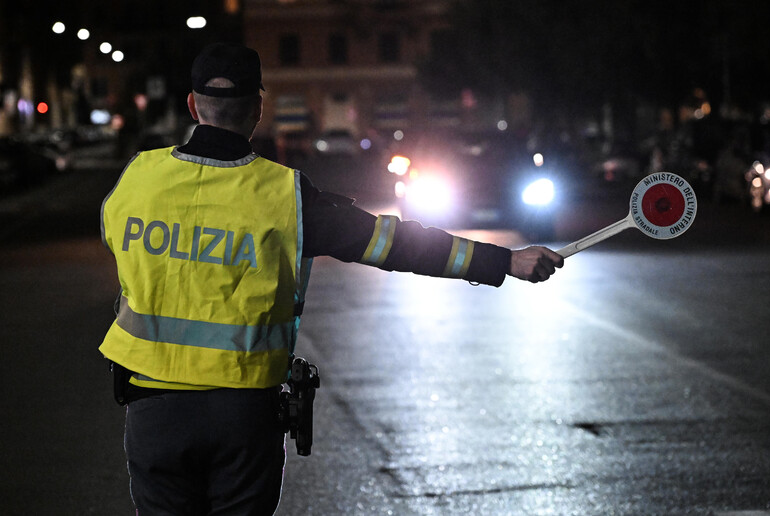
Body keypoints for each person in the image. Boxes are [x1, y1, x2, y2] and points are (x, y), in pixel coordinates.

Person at [99, 42, 563, 515]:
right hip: (241, 416)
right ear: (259, 108)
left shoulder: (138, 177)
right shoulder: (285, 195)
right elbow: (391, 242)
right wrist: (503, 260)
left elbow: (116, 240)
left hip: (151, 411)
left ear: (193, 105)